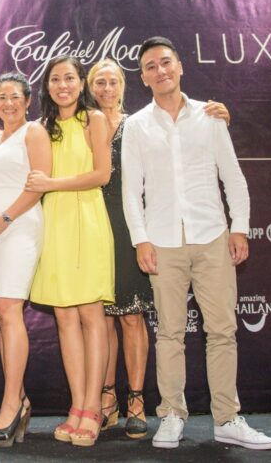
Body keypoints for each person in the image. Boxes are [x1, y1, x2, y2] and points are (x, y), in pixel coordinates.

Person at [122, 37, 271, 451]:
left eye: (166, 62)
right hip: (164, 243)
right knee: (170, 334)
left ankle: (227, 418)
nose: (161, 71)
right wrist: (142, 240)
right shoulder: (135, 126)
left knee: (222, 331)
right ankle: (172, 415)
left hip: (212, 237)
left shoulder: (210, 117)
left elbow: (233, 177)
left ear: (180, 66)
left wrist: (239, 227)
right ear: (144, 77)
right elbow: (130, 191)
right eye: (151, 66)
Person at [87, 59, 230, 440]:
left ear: (124, 85)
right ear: (90, 87)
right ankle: (106, 402)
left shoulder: (141, 123)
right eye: (98, 82)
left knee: (132, 317)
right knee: (101, 319)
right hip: (90, 225)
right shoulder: (79, 125)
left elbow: (187, 148)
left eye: (112, 81)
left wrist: (214, 116)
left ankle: (136, 400)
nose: (105, 88)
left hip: (135, 227)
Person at [27, 56, 114, 448]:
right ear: (46, 86)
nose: (62, 85)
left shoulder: (94, 120)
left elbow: (101, 175)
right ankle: (77, 406)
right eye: (55, 79)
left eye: (70, 78)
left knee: (91, 315)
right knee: (64, 318)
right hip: (55, 224)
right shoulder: (43, 128)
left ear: (82, 83)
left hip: (87, 218)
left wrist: (51, 183)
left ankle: (94, 408)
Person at [0, 72, 51, 448]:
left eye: (15, 97)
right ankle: (18, 400)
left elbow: (37, 184)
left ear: (27, 101)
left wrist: (4, 219)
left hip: (20, 225)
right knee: (4, 317)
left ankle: (11, 404)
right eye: (1, 97)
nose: (8, 103)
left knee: (9, 310)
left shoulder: (33, 132)